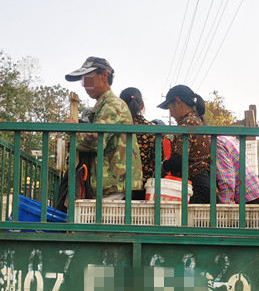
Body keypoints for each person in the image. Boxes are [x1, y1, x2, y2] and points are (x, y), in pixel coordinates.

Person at [64, 57, 142, 200]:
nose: (85, 86)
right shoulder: (102, 106)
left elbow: (96, 140)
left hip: (114, 185)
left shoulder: (113, 105)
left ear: (104, 75)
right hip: (108, 184)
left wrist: (74, 131)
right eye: (83, 81)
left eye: (87, 79)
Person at [157, 85, 211, 203]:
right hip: (204, 184)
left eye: (170, 108)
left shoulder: (187, 123)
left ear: (177, 102)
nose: (171, 114)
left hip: (196, 186)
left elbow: (178, 161)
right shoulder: (197, 121)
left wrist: (162, 167)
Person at [119, 87, 157, 183]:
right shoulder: (153, 130)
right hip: (145, 184)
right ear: (142, 106)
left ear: (121, 105)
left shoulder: (115, 128)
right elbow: (159, 160)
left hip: (119, 184)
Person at [215, 135, 259, 204]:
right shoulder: (226, 138)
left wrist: (226, 207)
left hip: (246, 197)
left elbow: (226, 178)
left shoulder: (215, 144)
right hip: (255, 190)